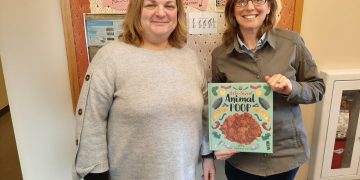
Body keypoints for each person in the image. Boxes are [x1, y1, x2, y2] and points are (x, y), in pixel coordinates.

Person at [72, 0, 215, 179]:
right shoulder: (110, 57)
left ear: (178, 14)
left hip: (184, 174)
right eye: (151, 5)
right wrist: (96, 175)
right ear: (136, 11)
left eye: (169, 6)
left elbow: (204, 112)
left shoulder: (190, 58)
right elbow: (91, 121)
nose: (161, 13)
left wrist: (208, 155)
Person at [211, 0, 325, 179]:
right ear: (232, 10)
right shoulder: (220, 56)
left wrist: (291, 88)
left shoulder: (292, 43)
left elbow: (318, 88)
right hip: (241, 159)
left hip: (285, 156)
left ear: (269, 7)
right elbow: (216, 108)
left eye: (257, 0)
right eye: (241, 2)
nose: (249, 7)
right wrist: (220, 141)